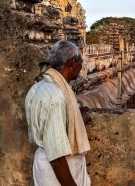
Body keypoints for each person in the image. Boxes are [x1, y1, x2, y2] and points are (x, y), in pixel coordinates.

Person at [25, 41, 92, 186]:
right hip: (60, 171)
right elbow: (57, 158)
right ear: (73, 63)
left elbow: (48, 126)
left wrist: (72, 121)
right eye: (81, 61)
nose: (81, 66)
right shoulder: (56, 97)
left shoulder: (38, 88)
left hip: (45, 164)